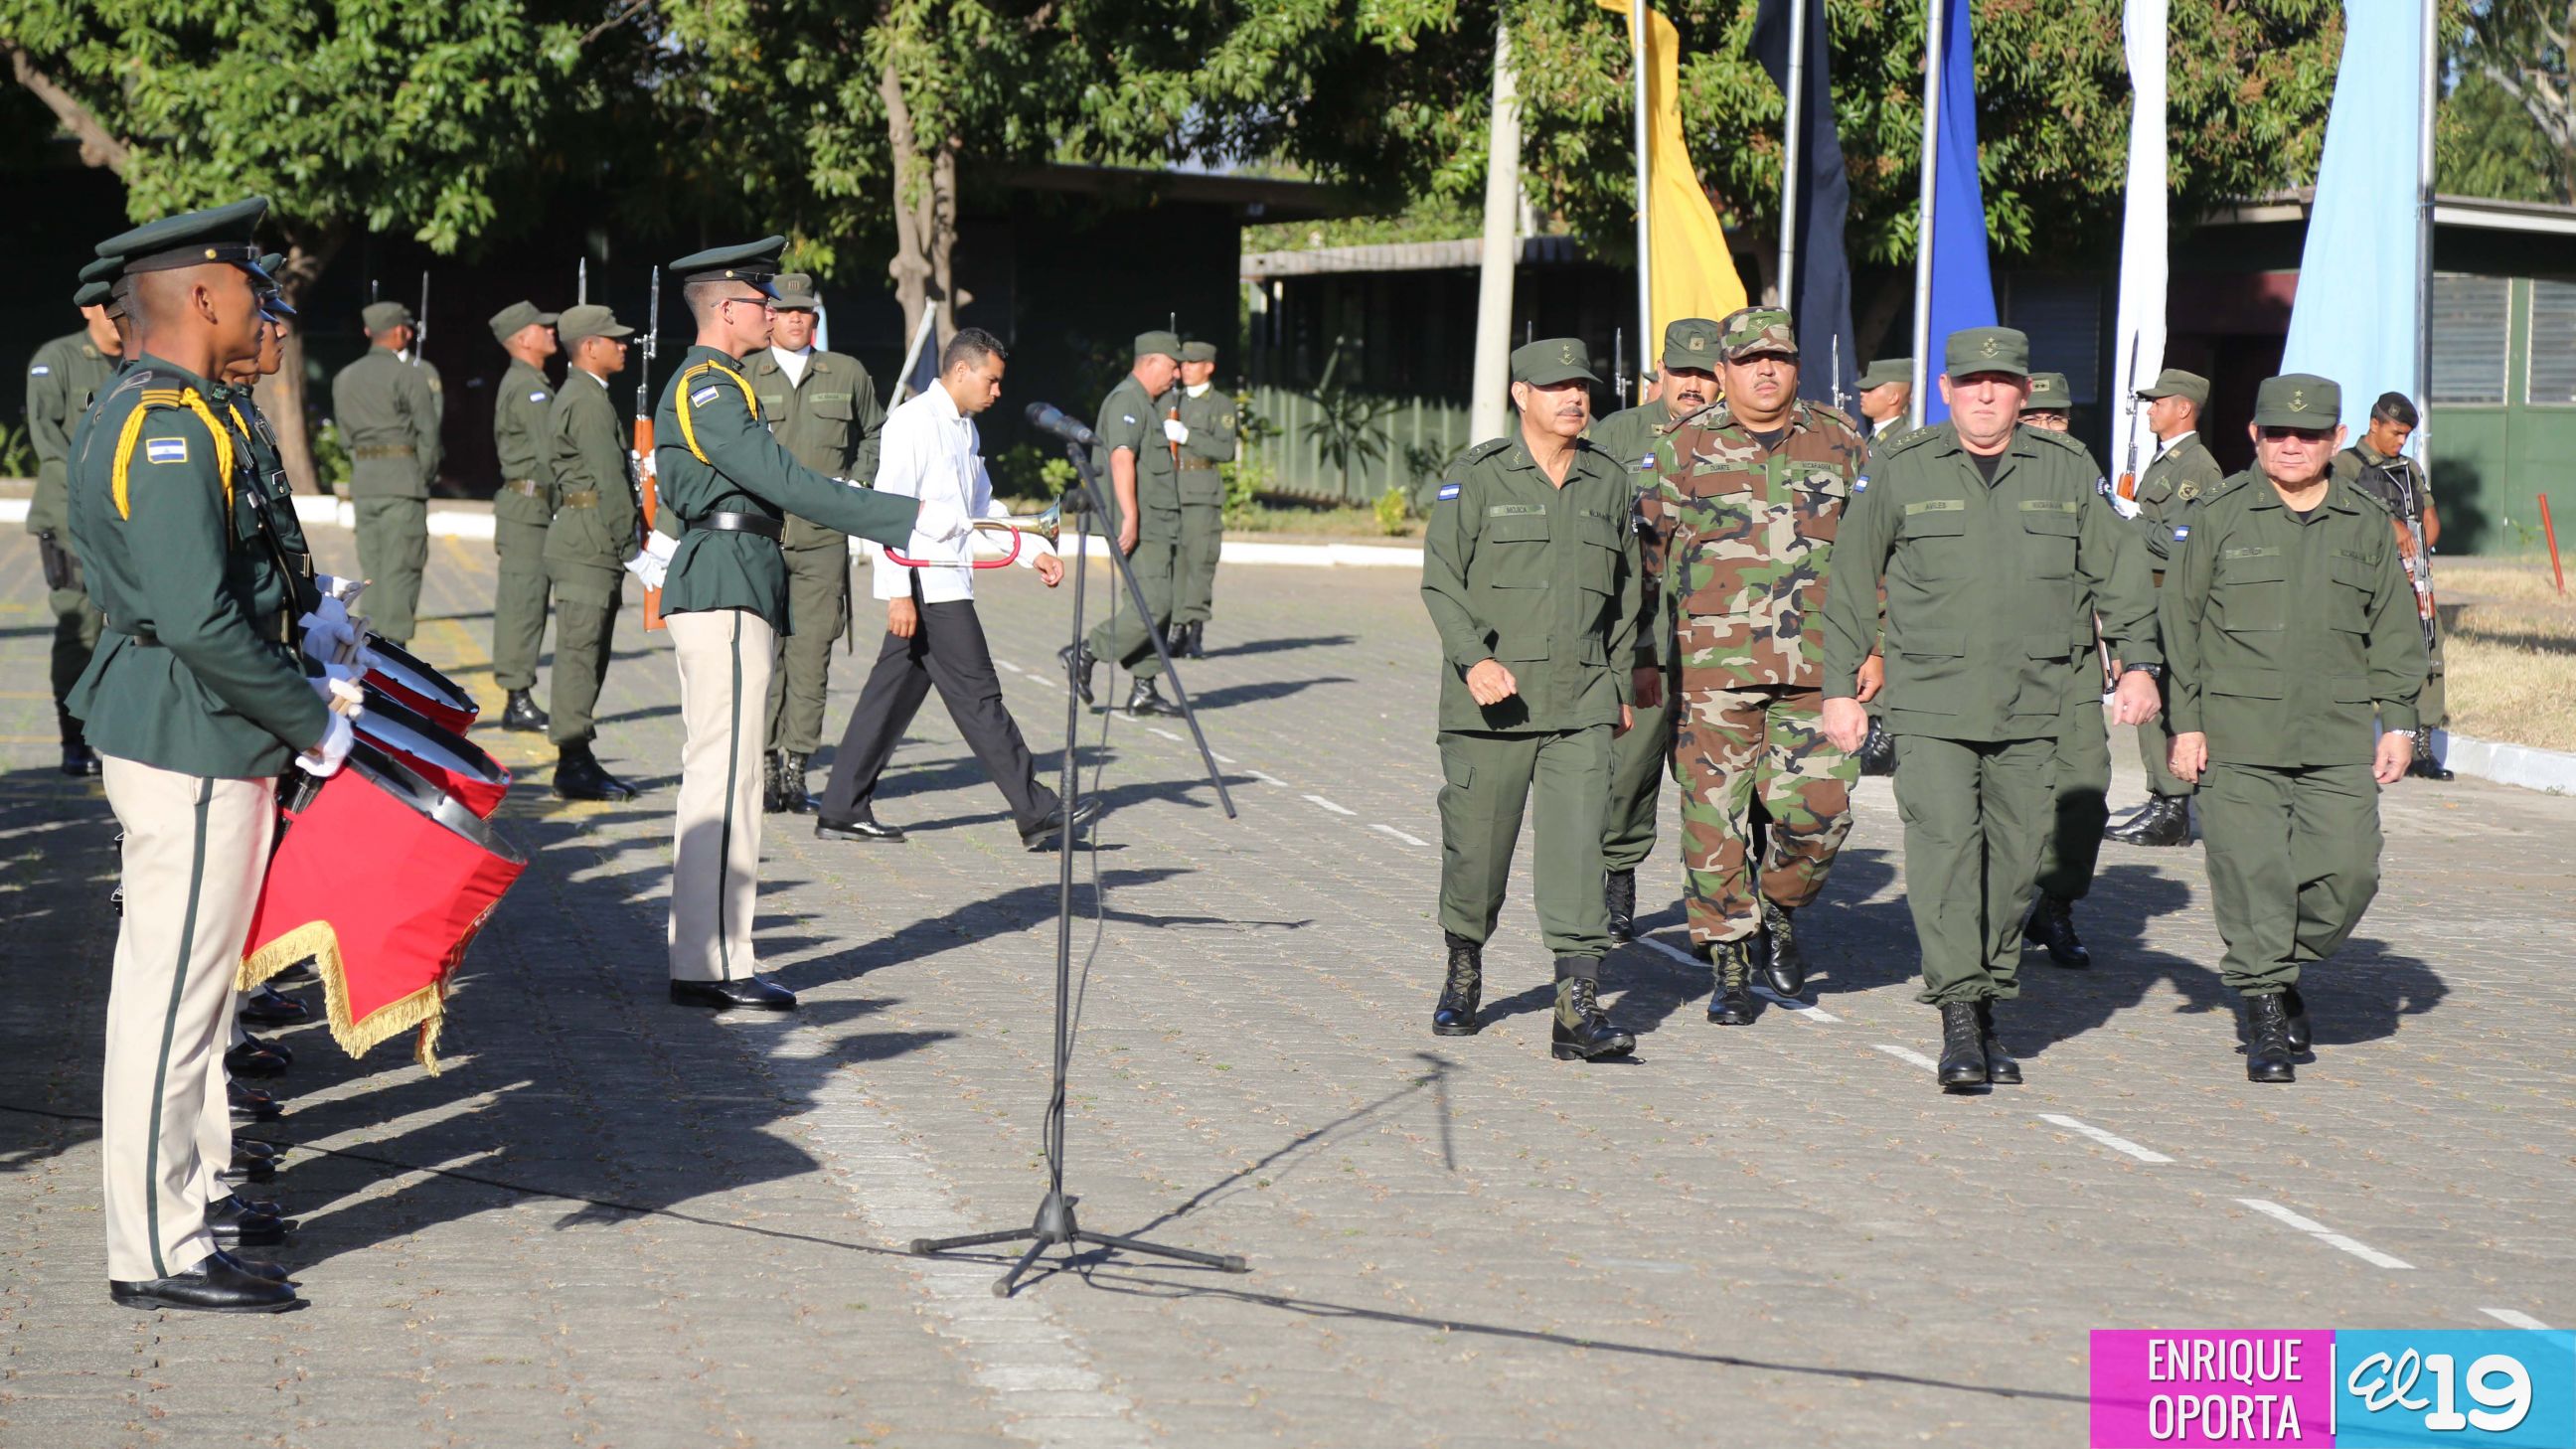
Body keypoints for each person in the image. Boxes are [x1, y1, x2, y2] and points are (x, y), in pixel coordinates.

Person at [70, 198, 345, 1312]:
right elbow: (195, 616)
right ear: (200, 296)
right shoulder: (167, 424)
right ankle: (157, 1247)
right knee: (172, 1005)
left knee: (183, 998)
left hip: (196, 723)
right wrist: (311, 717)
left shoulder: (165, 409)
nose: (260, 304)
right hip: (191, 729)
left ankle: (176, 1223)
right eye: (246, 285)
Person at [1820, 327, 2163, 1092]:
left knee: (2014, 864)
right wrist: (1838, 686)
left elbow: (2119, 570)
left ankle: (1988, 987)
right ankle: (1962, 1016)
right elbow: (1850, 578)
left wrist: (2139, 662)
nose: (1984, 393)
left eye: (2001, 382)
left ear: (2020, 393)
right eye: (1970, 381)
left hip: (2033, 701)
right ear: (1944, 390)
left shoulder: (2067, 470)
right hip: (1934, 703)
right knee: (1943, 853)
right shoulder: (1902, 469)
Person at [650, 238, 968, 1013]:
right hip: (727, 580)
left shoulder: (722, 385)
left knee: (726, 776)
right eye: (761, 301)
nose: (775, 313)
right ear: (727, 310)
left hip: (737, 577)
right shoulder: (710, 388)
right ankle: (716, 962)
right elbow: (786, 480)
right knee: (728, 779)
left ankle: (710, 957)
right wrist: (907, 517)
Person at [2163, 374, 2426, 1082]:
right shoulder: (2219, 514)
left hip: (2336, 735)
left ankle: (2275, 967)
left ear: (2335, 440)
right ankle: (2265, 1014)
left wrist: (2401, 722)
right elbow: (2179, 627)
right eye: (2276, 432)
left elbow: (2395, 632)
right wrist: (2184, 724)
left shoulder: (2365, 521)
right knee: (2252, 874)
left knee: (2349, 872)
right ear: (2254, 434)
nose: (2291, 446)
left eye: (2308, 435)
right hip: (2237, 733)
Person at [1642, 308, 1868, 1024]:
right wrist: (1644, 664)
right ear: (1723, 371)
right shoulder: (1684, 446)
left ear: (1797, 366)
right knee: (1713, 823)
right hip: (1713, 674)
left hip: (1820, 670)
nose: (1765, 370)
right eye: (1749, 360)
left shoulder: (1840, 441)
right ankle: (1730, 959)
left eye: (1779, 357)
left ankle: (1779, 906)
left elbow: (1877, 555)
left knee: (1821, 816)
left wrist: (1881, 647)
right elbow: (1647, 565)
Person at [1419, 338, 1642, 1062]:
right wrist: (1474, 660)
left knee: (1580, 852)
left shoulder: (1609, 480)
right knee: (1478, 854)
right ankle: (1464, 965)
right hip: (1493, 708)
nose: (1575, 398)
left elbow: (1629, 591)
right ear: (1522, 395)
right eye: (1557, 387)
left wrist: (1619, 679)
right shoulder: (1478, 476)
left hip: (1580, 702)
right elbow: (1441, 581)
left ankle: (1576, 1010)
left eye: (1582, 387)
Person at [812, 328, 1101, 850]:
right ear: (961, 371)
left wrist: (1032, 551)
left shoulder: (965, 430)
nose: (997, 392)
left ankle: (840, 808)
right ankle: (1037, 813)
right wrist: (897, 591)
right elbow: (887, 510)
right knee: (979, 696)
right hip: (926, 581)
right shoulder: (912, 424)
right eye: (991, 381)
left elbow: (982, 510)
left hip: (947, 577)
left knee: (888, 700)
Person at [1582, 318, 1719, 942]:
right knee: (1629, 769)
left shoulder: (1742, 437)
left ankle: (1733, 908)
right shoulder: (1614, 436)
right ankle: (1617, 873)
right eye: (1682, 371)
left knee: (1723, 786)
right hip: (1643, 642)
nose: (1693, 385)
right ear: (1658, 372)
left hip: (1726, 649)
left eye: (1706, 374)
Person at [741, 273, 885, 813]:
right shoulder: (744, 373)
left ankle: (797, 765)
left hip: (823, 537)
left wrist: (858, 481)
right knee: (761, 653)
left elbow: (875, 432)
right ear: (769, 318)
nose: (797, 320)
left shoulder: (845, 372)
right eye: (786, 311)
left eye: (806, 313)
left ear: (815, 321)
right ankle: (763, 761)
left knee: (811, 652)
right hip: (761, 533)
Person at [2012, 372, 2114, 970]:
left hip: (2070, 658)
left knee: (2084, 789)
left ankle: (2056, 903)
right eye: (2038, 418)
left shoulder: (2078, 471)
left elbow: (2114, 556)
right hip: (1992, 659)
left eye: (2060, 419)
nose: (2050, 429)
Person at [2106, 368, 2226, 848]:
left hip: (2168, 598)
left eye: (2160, 401)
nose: (2151, 408)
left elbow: (2184, 541)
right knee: (2149, 700)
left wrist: (2128, 520)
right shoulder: (2167, 461)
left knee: (2165, 698)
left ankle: (2172, 806)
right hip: (2146, 596)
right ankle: (2161, 800)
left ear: (2184, 408)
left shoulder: (2196, 467)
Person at [542, 304, 644, 802]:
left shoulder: (586, 395)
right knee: (581, 655)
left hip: (586, 534)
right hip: (590, 538)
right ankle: (573, 761)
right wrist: (632, 546)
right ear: (588, 347)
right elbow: (609, 480)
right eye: (614, 339)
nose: (623, 345)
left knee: (589, 652)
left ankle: (577, 754)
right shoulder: (587, 401)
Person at [1060, 332, 1185, 716]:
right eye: (1173, 365)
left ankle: (1144, 688)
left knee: (1155, 603)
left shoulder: (1147, 403)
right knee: (1155, 604)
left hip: (1158, 522)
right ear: (1150, 361)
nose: (1178, 374)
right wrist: (1129, 516)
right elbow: (1121, 458)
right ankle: (1087, 651)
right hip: (1142, 522)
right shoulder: (1126, 400)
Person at [25, 285, 121, 775]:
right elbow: (48, 442)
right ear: (88, 308)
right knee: (78, 630)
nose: (117, 314)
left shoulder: (140, 360)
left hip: (125, 521)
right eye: (108, 304)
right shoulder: (57, 358)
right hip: (70, 520)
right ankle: (74, 740)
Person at [2330, 393, 2450, 780]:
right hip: (2364, 578)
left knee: (2429, 652)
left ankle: (2422, 746)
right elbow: (2337, 517)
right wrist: (2387, 527)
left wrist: (2418, 559)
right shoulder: (2344, 465)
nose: (2400, 441)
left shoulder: (2409, 468)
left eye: (2406, 435)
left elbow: (2429, 519)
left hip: (2412, 578)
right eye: (2396, 433)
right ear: (2375, 423)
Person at [329, 299, 442, 645]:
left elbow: (346, 437)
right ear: (399, 332)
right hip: (402, 481)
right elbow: (428, 433)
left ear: (368, 332)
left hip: (365, 481)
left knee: (373, 568)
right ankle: (395, 646)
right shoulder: (410, 374)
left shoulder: (344, 377)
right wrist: (421, 475)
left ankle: (371, 642)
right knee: (402, 568)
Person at [487, 300, 562, 733]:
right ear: (522, 339)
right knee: (523, 605)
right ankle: (517, 698)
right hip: (528, 510)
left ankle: (519, 694)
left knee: (528, 604)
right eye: (543, 327)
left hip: (531, 508)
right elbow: (549, 454)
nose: (551, 332)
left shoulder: (532, 382)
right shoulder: (528, 387)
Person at [1852, 358, 1915, 776]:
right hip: (1872, 555)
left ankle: (1889, 728)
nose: (1861, 395)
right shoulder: (1873, 440)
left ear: (1894, 395)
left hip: (1894, 560)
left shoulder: (1903, 443)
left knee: (1891, 636)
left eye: (1871, 389)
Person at [1168, 339, 1236, 659]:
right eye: (1182, 363)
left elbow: (1225, 450)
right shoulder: (1172, 398)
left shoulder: (1221, 404)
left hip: (1202, 492)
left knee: (1200, 563)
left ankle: (1195, 630)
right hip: (1172, 489)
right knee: (1175, 564)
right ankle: (1176, 628)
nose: (1185, 369)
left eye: (1193, 363)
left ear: (1209, 366)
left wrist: (1187, 435)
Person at [1854, 357, 1913, 441]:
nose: (1861, 393)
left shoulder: (1905, 440)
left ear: (1893, 398)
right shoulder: (1872, 438)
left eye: (1870, 389)